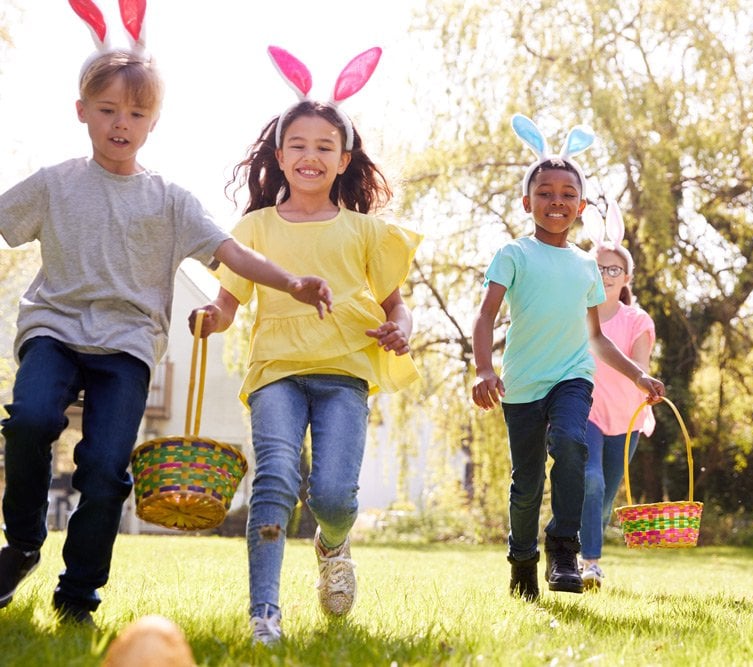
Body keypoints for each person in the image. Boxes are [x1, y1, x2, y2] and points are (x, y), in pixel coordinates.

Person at [0, 3, 332, 628]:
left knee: (102, 468)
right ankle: (20, 545)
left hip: (126, 345)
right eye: (107, 110)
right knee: (31, 420)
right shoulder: (54, 184)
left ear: (153, 122)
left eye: (136, 113)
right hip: (54, 330)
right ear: (82, 112)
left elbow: (229, 252)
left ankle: (78, 594)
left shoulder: (170, 200)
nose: (121, 123)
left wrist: (290, 280)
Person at [190, 45, 421, 645]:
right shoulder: (255, 229)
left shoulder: (367, 231)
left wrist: (403, 329)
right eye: (298, 145)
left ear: (344, 159)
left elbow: (398, 304)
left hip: (345, 372)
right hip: (276, 372)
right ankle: (264, 613)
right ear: (279, 154)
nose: (310, 156)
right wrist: (211, 319)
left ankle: (334, 542)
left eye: (324, 147)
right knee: (274, 482)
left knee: (335, 494)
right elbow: (227, 304)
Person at [472, 114, 664, 602]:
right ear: (526, 202)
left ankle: (564, 547)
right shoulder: (513, 255)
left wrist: (639, 375)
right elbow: (486, 317)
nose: (556, 201)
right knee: (526, 485)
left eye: (566, 194)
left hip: (572, 380)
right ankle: (521, 560)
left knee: (574, 446)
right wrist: (484, 368)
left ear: (580, 206)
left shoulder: (585, 266)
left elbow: (596, 339)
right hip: (521, 384)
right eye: (545, 192)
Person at [577, 200, 656, 591]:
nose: (606, 275)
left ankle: (581, 539)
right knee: (589, 479)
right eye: (599, 267)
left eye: (615, 269)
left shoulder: (637, 320)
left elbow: (639, 366)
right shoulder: (576, 312)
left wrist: (647, 385)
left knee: (606, 496)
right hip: (586, 411)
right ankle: (589, 562)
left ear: (627, 277)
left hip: (626, 419)